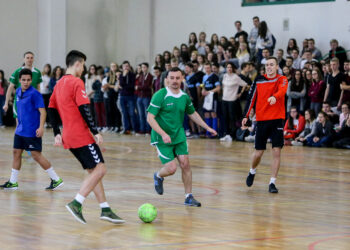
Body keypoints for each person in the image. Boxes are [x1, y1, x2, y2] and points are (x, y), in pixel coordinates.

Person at [48, 50, 124, 224]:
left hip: (68, 135)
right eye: (82, 65)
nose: (83, 69)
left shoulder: (59, 84)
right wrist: (95, 131)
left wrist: (56, 133)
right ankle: (77, 202)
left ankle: (105, 209)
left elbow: (51, 108)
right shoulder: (76, 81)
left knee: (93, 172)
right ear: (77, 64)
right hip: (80, 135)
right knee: (101, 169)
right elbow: (85, 108)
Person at [147, 67, 217, 207]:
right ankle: (158, 176)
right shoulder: (160, 95)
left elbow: (193, 114)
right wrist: (163, 133)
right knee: (172, 168)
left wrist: (207, 127)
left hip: (178, 135)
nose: (174, 81)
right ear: (167, 79)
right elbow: (150, 118)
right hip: (162, 138)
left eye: (177, 78)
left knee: (185, 164)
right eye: (172, 78)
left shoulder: (184, 96)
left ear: (182, 78)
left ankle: (188, 197)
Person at [0, 68, 63, 190]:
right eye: (23, 80)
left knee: (36, 155)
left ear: (31, 80)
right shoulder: (18, 91)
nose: (26, 82)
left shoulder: (35, 94)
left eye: (28, 80)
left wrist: (41, 127)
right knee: (16, 153)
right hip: (20, 130)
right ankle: (13, 182)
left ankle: (56, 179)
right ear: (19, 80)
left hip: (32, 131)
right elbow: (19, 111)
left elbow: (43, 112)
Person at [242, 57, 288, 193]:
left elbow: (283, 90)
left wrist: (275, 97)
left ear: (276, 67)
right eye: (267, 65)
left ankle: (272, 183)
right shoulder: (259, 80)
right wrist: (246, 115)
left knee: (276, 151)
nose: (269, 67)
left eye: (271, 64)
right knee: (258, 152)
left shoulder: (282, 79)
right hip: (261, 119)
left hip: (277, 119)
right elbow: (251, 98)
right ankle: (252, 171)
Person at [3, 52, 42, 118]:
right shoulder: (17, 72)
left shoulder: (37, 72)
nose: (29, 59)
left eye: (31, 58)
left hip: (32, 101)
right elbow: (10, 87)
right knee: (19, 125)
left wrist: (39, 101)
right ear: (24, 59)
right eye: (27, 58)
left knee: (31, 124)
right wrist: (6, 103)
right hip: (19, 101)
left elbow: (38, 88)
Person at [220, 62, 247, 141]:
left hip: (232, 100)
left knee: (232, 118)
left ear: (233, 68)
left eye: (230, 67)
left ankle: (232, 134)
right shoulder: (224, 76)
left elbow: (245, 84)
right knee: (225, 117)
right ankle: (226, 134)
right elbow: (223, 85)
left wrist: (240, 93)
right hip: (224, 99)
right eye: (228, 67)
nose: (229, 69)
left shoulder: (236, 77)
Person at [201, 63, 221, 137]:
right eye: (205, 68)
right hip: (207, 98)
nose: (207, 69)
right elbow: (203, 86)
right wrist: (203, 91)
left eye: (208, 68)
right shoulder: (204, 77)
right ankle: (208, 132)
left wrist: (209, 92)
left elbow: (218, 88)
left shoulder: (214, 76)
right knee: (206, 114)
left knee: (213, 114)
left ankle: (214, 132)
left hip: (213, 98)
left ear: (211, 68)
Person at [136, 62, 153, 134]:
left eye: (144, 67)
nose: (143, 69)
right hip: (140, 97)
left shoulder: (150, 76)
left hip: (146, 97)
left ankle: (148, 129)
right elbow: (137, 85)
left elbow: (147, 86)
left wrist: (139, 87)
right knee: (141, 114)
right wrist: (139, 87)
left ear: (147, 68)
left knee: (147, 114)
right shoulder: (140, 76)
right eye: (142, 67)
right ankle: (142, 129)